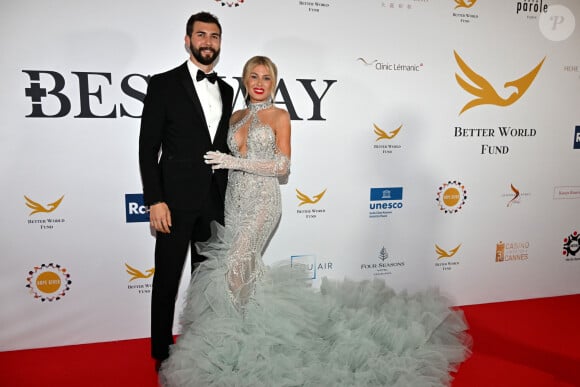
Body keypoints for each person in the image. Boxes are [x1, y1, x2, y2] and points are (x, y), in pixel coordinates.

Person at [159, 56, 471, 386]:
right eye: (254, 75)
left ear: (274, 82)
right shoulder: (234, 116)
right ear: (245, 80)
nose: (260, 81)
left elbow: (281, 167)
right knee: (240, 270)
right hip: (234, 201)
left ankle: (242, 337)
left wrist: (231, 160)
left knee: (236, 264)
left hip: (263, 201)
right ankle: (240, 330)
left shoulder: (279, 115)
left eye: (267, 76)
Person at [138, 11, 233, 370]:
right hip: (173, 201)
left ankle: (201, 342)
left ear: (220, 43)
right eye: (201, 35)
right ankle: (161, 352)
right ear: (188, 39)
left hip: (214, 200)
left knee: (206, 279)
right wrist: (155, 200)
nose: (208, 42)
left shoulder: (226, 89)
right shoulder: (163, 84)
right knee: (166, 277)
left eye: (214, 36)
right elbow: (148, 148)